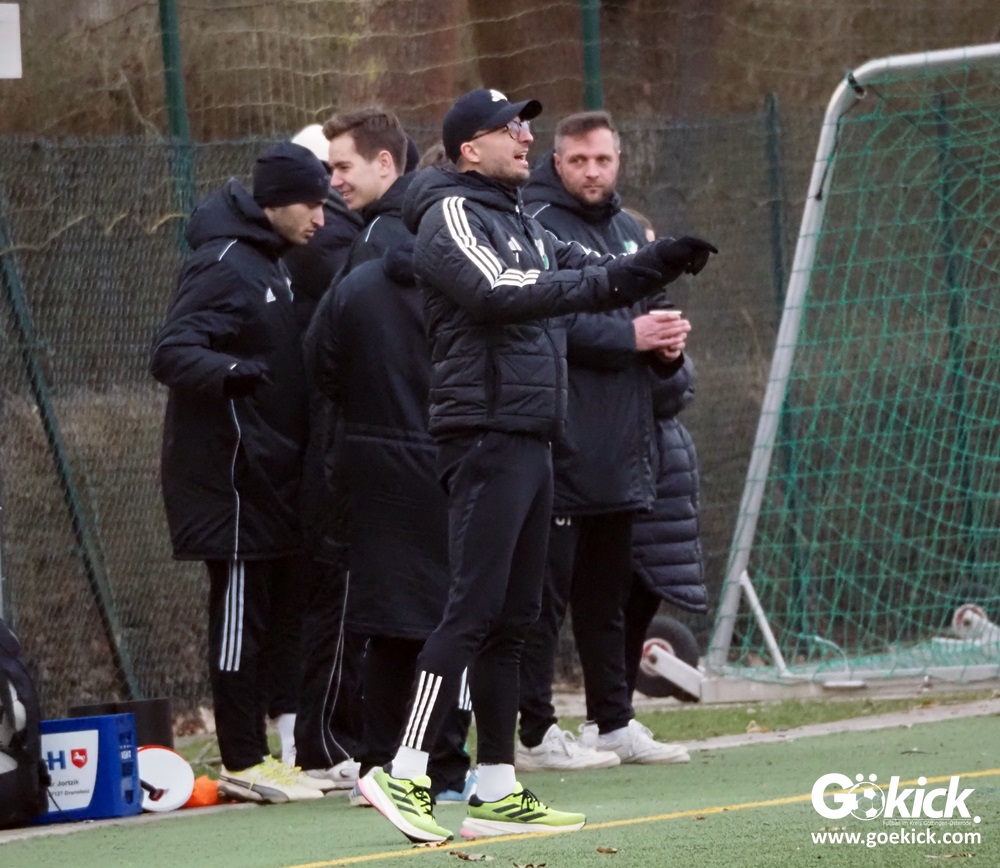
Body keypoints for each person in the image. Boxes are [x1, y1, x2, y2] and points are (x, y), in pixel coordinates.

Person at [356, 88, 717, 844]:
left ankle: (495, 787)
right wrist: (605, 281)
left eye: (526, 125)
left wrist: (656, 260)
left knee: (515, 619)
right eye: (509, 127)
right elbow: (499, 291)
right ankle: (403, 770)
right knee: (471, 610)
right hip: (484, 434)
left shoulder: (521, 216)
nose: (526, 137)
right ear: (469, 149)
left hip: (532, 433)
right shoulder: (452, 213)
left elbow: (592, 272)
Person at [149, 142, 334, 803]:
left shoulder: (271, 261)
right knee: (238, 621)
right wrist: (236, 373)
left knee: (278, 621)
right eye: (310, 204)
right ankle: (241, 758)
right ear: (275, 203)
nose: (321, 217)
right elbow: (172, 351)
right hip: (230, 486)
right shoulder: (223, 262)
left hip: (272, 481)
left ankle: (273, 754)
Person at [515, 110, 693, 770]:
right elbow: (540, 321)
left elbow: (651, 315)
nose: (592, 172)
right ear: (557, 161)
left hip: (623, 449)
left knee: (607, 599)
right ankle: (534, 732)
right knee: (541, 601)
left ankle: (611, 722)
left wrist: (667, 347)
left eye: (603, 160)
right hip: (560, 445)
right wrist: (628, 338)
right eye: (579, 161)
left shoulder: (626, 231)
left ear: (619, 161)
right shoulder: (534, 224)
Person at [306, 109, 473, 804]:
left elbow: (321, 359)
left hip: (384, 459)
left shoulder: (371, 256)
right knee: (447, 618)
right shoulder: (437, 258)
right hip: (439, 453)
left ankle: (390, 762)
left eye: (342, 166)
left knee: (394, 623)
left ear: (387, 165)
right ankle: (442, 764)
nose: (333, 181)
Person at [272, 124, 365, 789]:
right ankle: (318, 740)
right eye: (327, 173)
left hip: (327, 445)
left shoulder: (344, 238)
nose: (333, 188)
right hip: (323, 451)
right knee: (327, 596)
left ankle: (325, 736)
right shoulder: (326, 248)